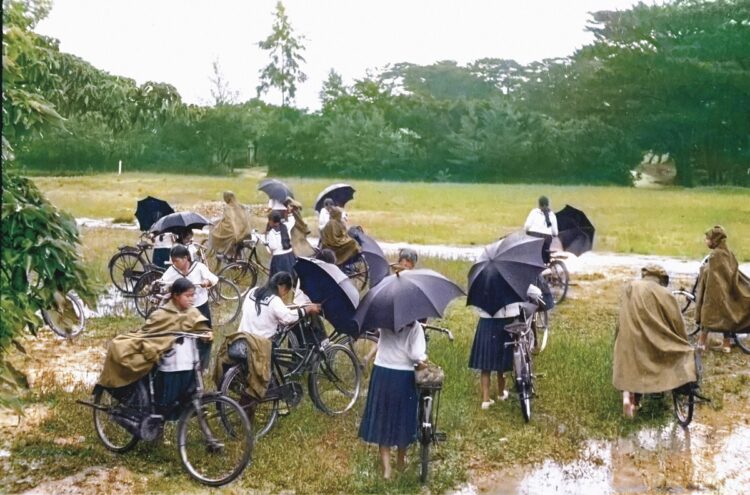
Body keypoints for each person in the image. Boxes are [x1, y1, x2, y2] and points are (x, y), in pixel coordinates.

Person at [97, 278, 213, 416]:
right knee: (162, 407)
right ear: (175, 296)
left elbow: (202, 328)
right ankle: (156, 430)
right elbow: (151, 336)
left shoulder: (193, 312)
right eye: (187, 296)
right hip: (169, 366)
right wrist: (161, 344)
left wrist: (207, 335)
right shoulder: (161, 314)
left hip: (187, 364)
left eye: (192, 295)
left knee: (187, 399)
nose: (191, 299)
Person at [613, 265, 697, 418]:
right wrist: (683, 341)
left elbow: (621, 317)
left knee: (630, 366)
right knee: (667, 357)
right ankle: (657, 390)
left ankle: (629, 399)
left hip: (628, 338)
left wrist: (617, 336)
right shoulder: (664, 293)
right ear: (661, 279)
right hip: (650, 341)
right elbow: (677, 322)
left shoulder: (630, 287)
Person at [358, 321, 427, 479]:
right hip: (403, 375)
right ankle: (401, 462)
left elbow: (381, 344)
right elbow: (416, 356)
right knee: (402, 418)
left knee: (384, 419)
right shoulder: (414, 326)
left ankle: (387, 469)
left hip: (381, 372)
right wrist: (424, 362)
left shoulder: (385, 322)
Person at [469, 285, 540, 409]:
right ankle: (501, 393)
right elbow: (535, 292)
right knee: (501, 358)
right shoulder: (511, 274)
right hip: (506, 319)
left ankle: (485, 400)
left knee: (486, 361)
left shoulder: (484, 278)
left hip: (486, 320)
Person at [160, 244, 218, 367]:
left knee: (204, 337)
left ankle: (202, 365)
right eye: (173, 261)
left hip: (200, 307)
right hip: (183, 310)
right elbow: (163, 283)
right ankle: (186, 363)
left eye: (177, 261)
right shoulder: (172, 271)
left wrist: (206, 282)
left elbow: (214, 278)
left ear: (186, 258)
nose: (175, 264)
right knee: (184, 337)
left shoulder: (199, 267)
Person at [695, 226, 750, 353]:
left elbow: (713, 277)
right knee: (727, 318)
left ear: (715, 240)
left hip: (715, 294)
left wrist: (704, 270)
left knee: (707, 318)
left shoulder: (715, 255)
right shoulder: (728, 253)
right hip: (727, 293)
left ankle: (701, 343)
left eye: (708, 238)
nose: (705, 241)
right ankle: (726, 345)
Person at [238, 272, 321, 340]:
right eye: (286, 292)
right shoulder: (274, 300)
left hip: (242, 336)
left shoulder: (253, 291)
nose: (283, 296)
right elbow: (288, 318)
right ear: (283, 287)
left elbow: (246, 309)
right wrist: (307, 309)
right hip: (259, 342)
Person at [524, 195, 558, 264]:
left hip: (534, 236)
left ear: (539, 204)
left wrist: (525, 232)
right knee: (544, 253)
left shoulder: (534, 212)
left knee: (531, 253)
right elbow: (555, 232)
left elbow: (527, 226)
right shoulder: (552, 215)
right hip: (547, 239)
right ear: (548, 204)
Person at [266, 210, 297, 280]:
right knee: (290, 277)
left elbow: (273, 246)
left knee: (278, 280)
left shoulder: (272, 232)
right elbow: (292, 220)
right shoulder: (286, 226)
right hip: (289, 255)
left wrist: (267, 245)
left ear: (272, 221)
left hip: (279, 259)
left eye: (269, 220)